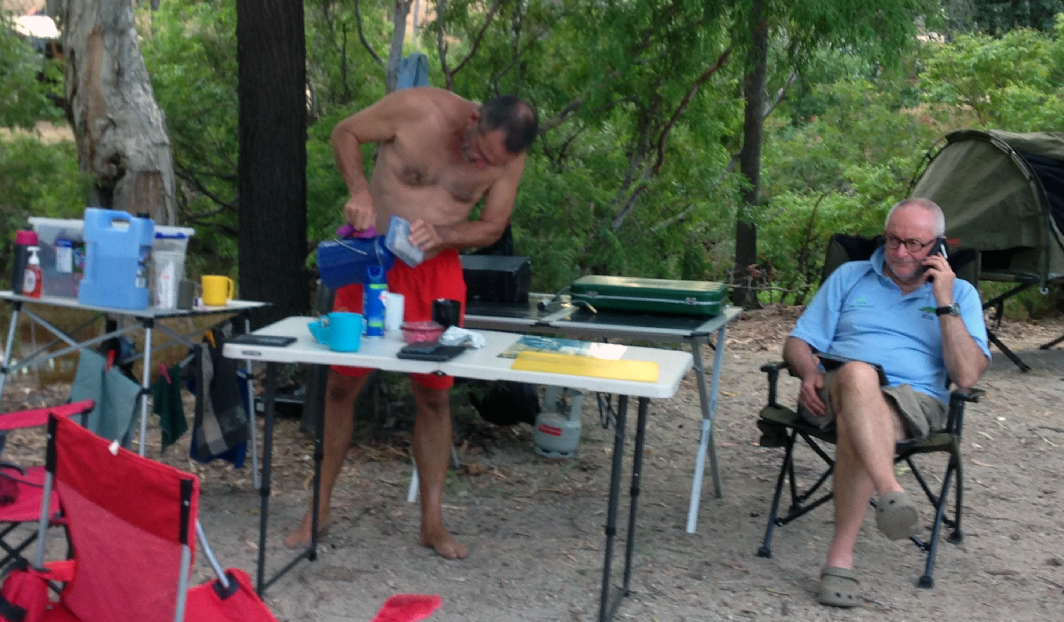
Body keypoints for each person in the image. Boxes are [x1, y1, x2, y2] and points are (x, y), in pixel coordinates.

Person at [284, 87, 538, 558]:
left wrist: (443, 234)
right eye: (478, 153)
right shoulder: (419, 109)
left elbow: (492, 226)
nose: (482, 165)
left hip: (435, 272)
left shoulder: (507, 159)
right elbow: (345, 132)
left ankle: (432, 523)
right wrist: (359, 189)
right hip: (372, 259)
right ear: (475, 119)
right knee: (340, 386)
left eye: (492, 164)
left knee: (434, 396)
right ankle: (318, 509)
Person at [782, 198, 990, 606]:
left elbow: (966, 376)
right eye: (892, 240)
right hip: (832, 391)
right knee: (859, 373)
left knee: (859, 424)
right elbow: (798, 342)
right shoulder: (850, 276)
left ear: (939, 246)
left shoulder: (961, 294)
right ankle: (889, 490)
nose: (899, 252)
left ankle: (841, 559)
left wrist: (944, 302)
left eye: (914, 243)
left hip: (912, 403)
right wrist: (808, 371)